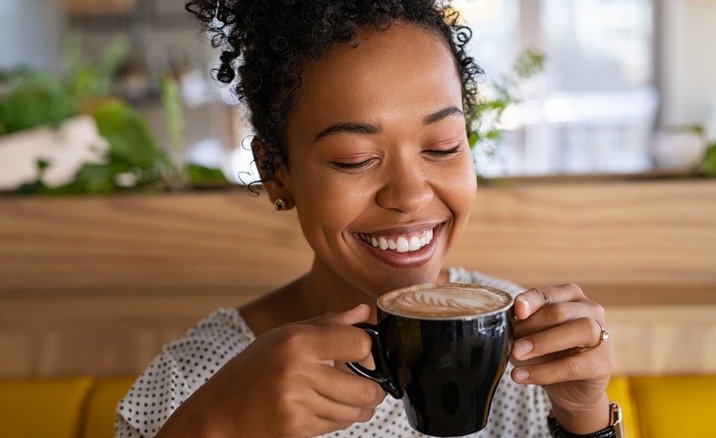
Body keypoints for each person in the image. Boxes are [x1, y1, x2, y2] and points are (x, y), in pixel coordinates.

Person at [115, 1, 615, 437]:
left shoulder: (521, 351)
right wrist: (217, 425)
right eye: (354, 158)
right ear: (276, 172)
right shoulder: (193, 379)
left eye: (442, 148)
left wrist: (583, 415)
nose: (411, 195)